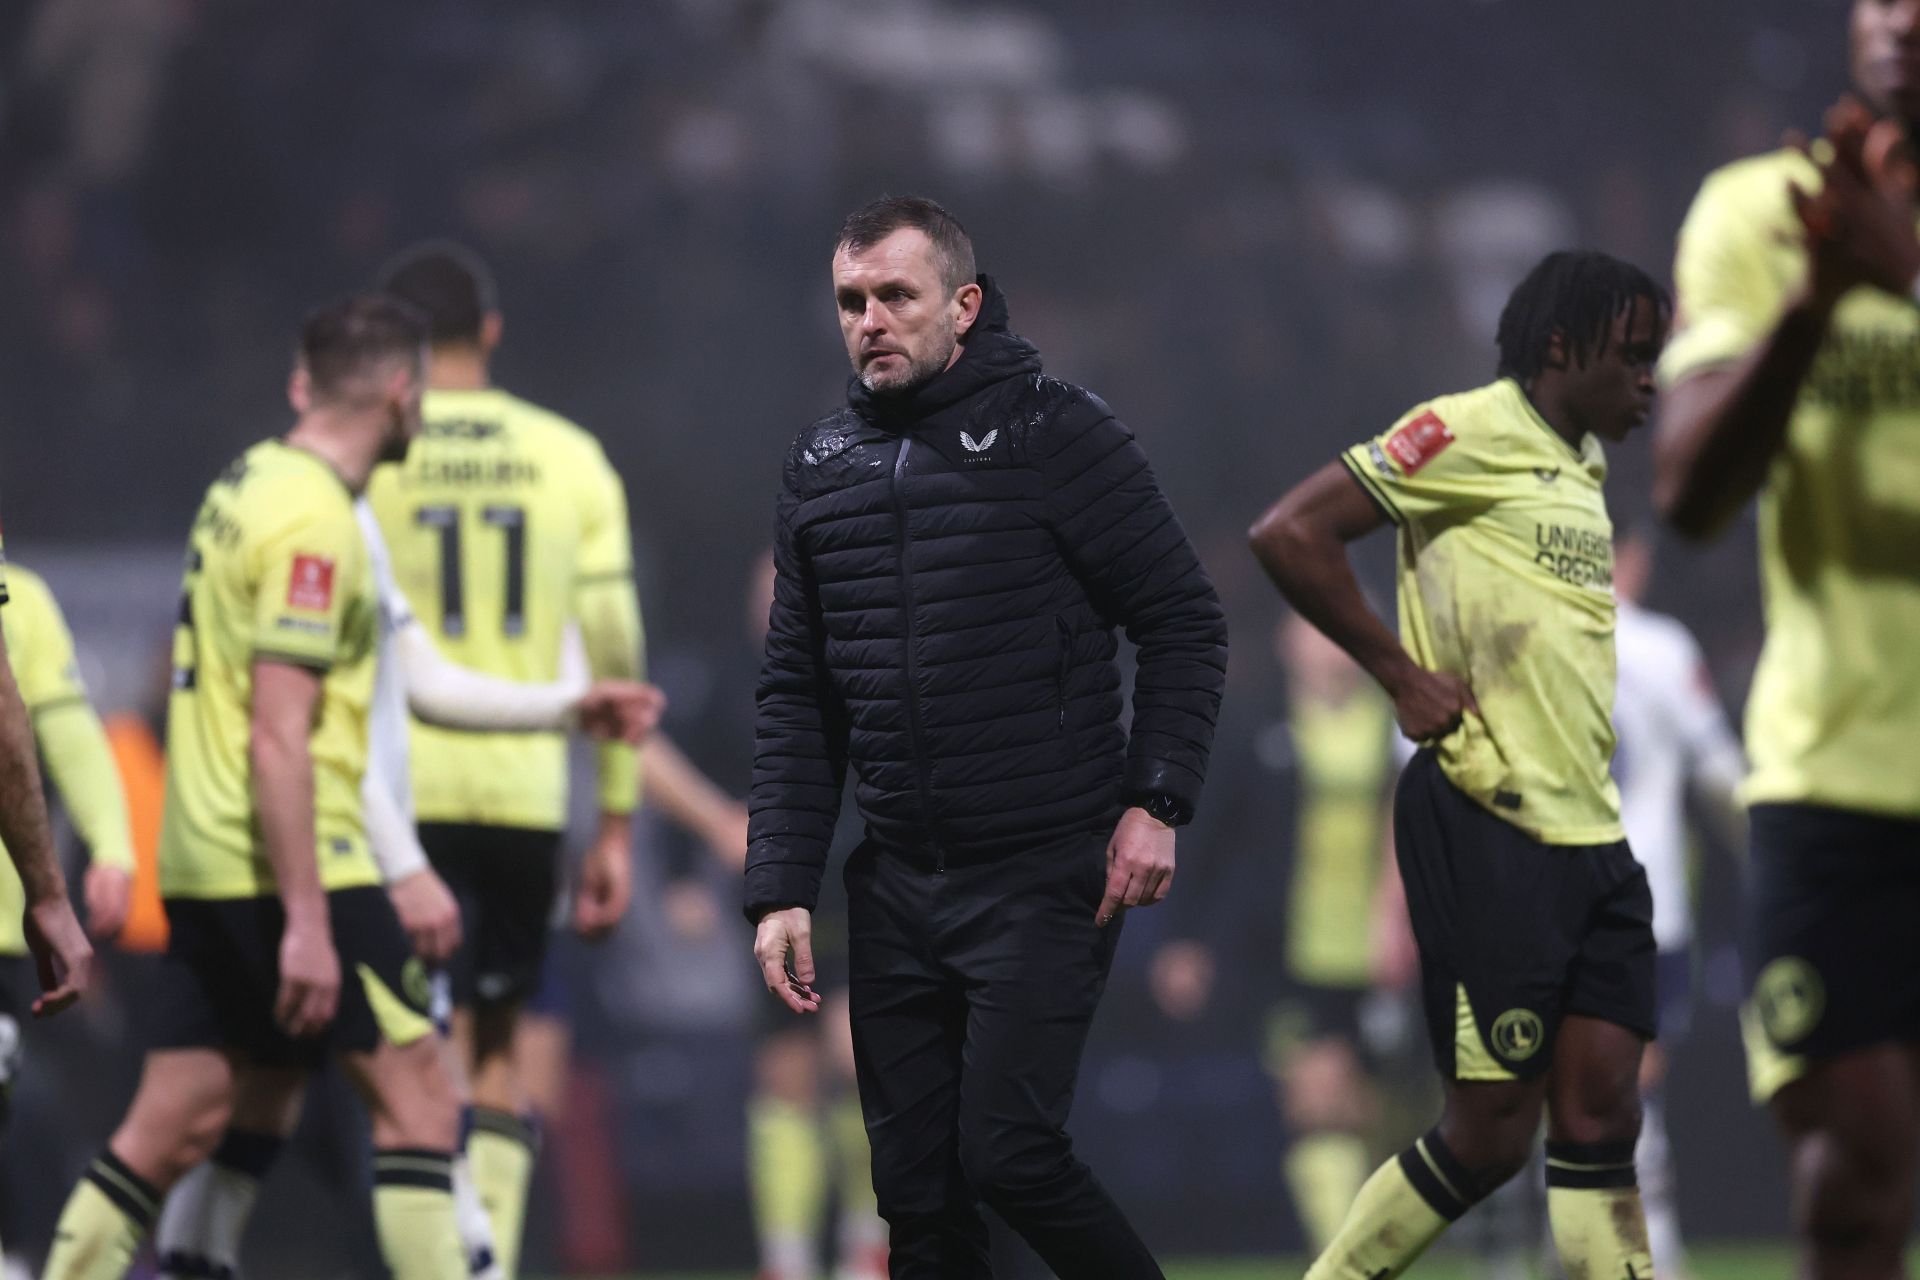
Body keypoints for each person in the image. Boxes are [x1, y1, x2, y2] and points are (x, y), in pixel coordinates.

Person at [746, 195, 1227, 1280]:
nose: (869, 319)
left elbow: (1183, 619)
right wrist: (780, 880)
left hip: (1046, 868)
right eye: (850, 301)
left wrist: (1158, 798)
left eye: (894, 296)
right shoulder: (819, 465)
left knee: (1007, 1154)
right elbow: (797, 693)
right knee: (918, 1203)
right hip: (898, 883)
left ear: (962, 305)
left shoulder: (1060, 432)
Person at [1249, 250, 1669, 1279]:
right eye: (1634, 357)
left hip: (1594, 836)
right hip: (1490, 822)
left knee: (1605, 1107)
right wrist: (1397, 669)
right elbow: (1290, 531)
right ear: (1562, 348)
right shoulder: (1462, 431)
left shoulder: (1585, 463)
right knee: (1488, 1134)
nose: (1650, 380)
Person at [40, 294, 474, 1280]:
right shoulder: (315, 521)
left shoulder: (243, 481)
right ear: (402, 394)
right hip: (291, 862)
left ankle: (179, 1264)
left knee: (195, 1111)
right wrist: (311, 920)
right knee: (421, 1101)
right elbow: (280, 733)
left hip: (204, 860)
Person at [148, 498, 659, 1280]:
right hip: (340, 861)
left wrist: (565, 707)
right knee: (396, 1097)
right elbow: (307, 738)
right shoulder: (318, 521)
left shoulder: (342, 524)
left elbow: (414, 685)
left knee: (265, 1099)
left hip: (347, 857)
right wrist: (402, 869)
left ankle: (190, 1260)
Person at [1654, 6, 1920, 1266]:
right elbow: (1690, 493)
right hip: (1835, 772)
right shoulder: (1766, 211)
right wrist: (1819, 297)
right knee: (1856, 1175)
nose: (1899, 19)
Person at [367, 241, 647, 1280]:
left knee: (411, 1067)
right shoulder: (568, 454)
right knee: (498, 1056)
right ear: (489, 330)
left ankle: (438, 1263)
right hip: (527, 797)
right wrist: (614, 816)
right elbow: (615, 646)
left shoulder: (372, 451)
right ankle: (487, 1265)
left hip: (401, 803)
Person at [1608, 526, 1745, 1280]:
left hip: (1548, 906)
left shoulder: (1520, 638)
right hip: (1649, 905)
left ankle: (1560, 1251)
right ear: (1633, 557)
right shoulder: (1661, 647)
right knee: (1636, 1087)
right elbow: (1724, 775)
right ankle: (1654, 1256)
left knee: (1555, 1090)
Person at [1260, 614, 1404, 1256]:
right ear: (1286, 644)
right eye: (1311, 631)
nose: (1325, 645)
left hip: (1377, 944)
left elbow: (1403, 824)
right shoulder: (1265, 727)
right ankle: (1340, 1252)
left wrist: (1395, 913)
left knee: (1366, 1106)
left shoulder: (1391, 726)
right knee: (1312, 1098)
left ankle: (1361, 1243)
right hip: (1292, 945)